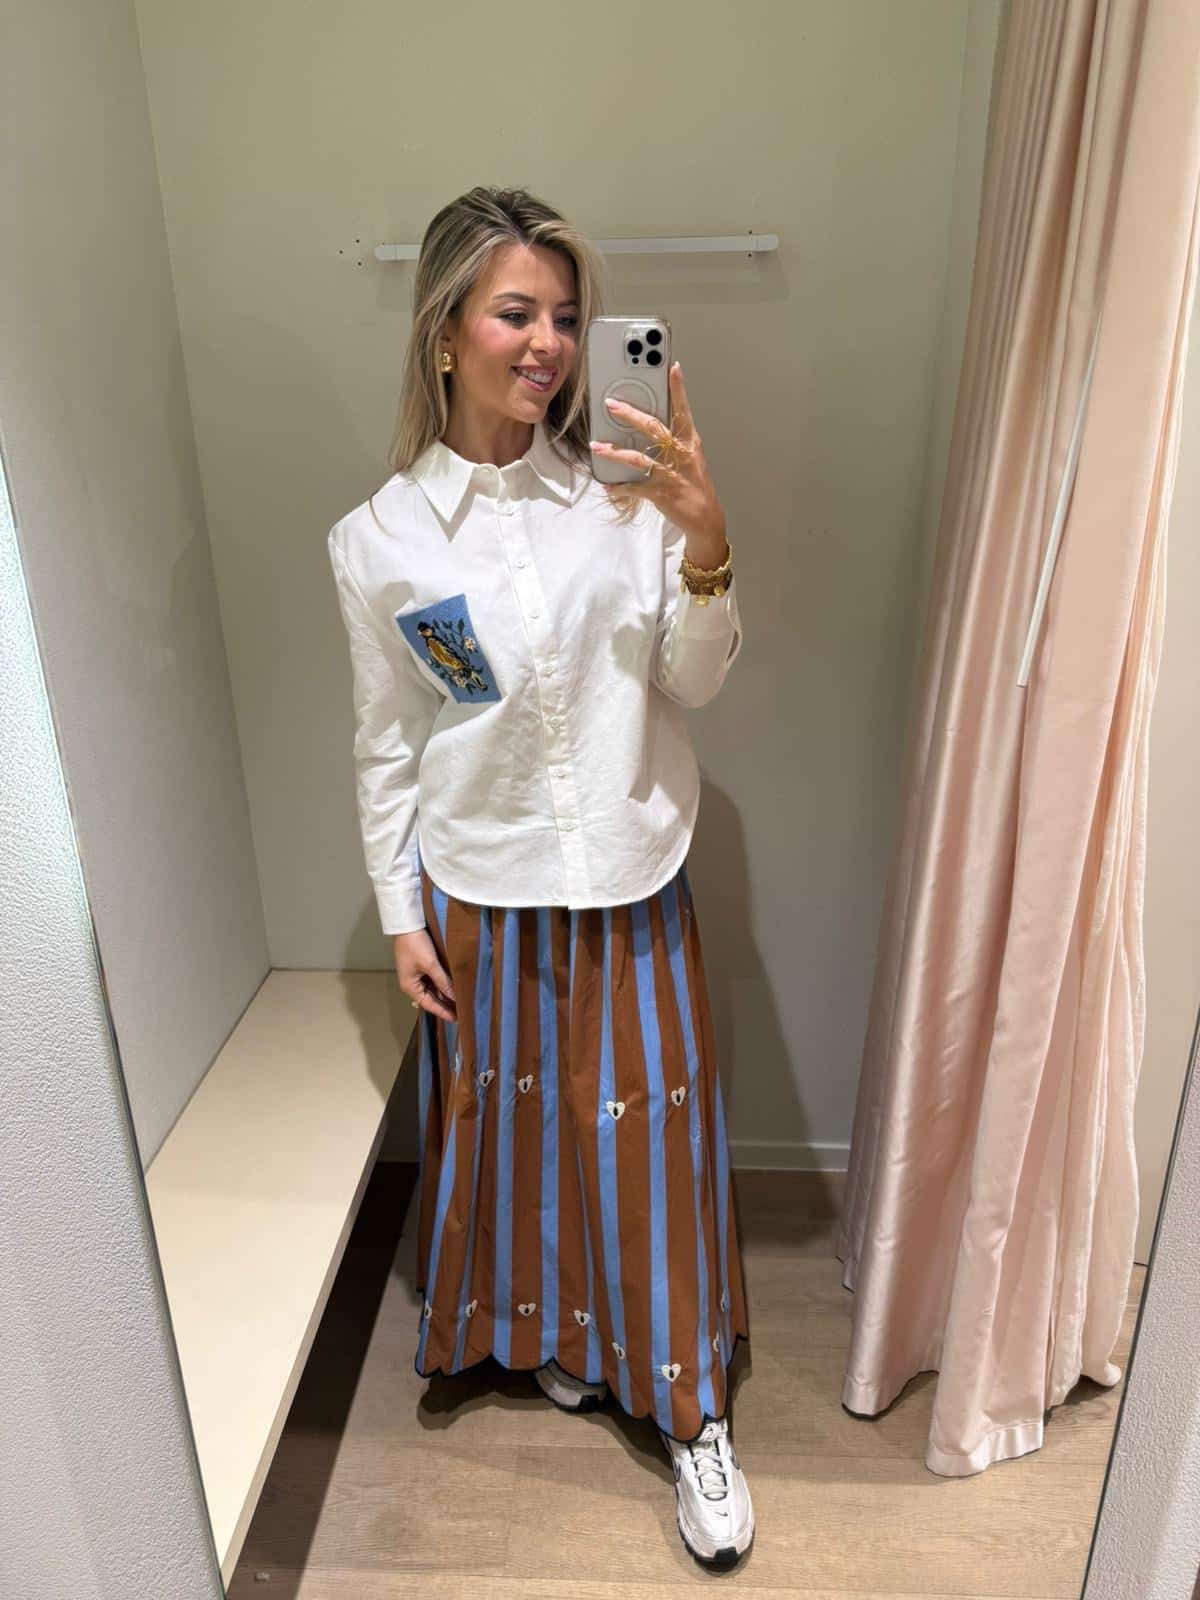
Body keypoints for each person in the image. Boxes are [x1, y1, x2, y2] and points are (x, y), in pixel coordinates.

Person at [327, 185, 753, 1568]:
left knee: (648, 1144)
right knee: (522, 1143)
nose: (552, 343)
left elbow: (695, 680)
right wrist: (400, 914)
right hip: (483, 884)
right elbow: (390, 744)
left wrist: (704, 541)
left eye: (567, 316)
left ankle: (691, 1410)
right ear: (444, 330)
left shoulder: (622, 500)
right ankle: (563, 1341)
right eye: (517, 312)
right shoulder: (380, 541)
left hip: (631, 871)